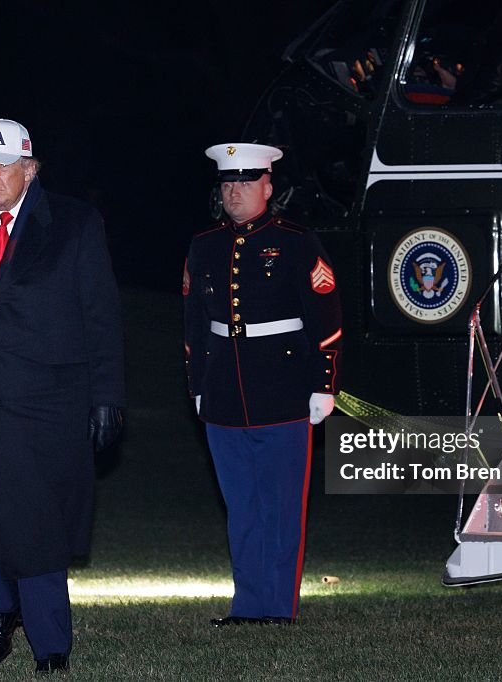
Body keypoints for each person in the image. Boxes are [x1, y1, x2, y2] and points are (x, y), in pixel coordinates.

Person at [0, 118, 125, 674]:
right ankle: (1, 608)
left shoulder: (75, 225)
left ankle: (51, 645)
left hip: (46, 404)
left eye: (3, 164)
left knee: (35, 525)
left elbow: (100, 317)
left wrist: (107, 395)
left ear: (30, 168)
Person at [183, 143, 342, 626]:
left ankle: (277, 607)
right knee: (241, 506)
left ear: (268, 187)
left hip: (284, 387)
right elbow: (192, 323)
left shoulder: (297, 241)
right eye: (228, 183)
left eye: (246, 182)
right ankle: (247, 605)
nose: (235, 191)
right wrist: (197, 384)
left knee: (280, 506)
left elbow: (327, 317)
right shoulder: (204, 244)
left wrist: (325, 382)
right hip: (224, 391)